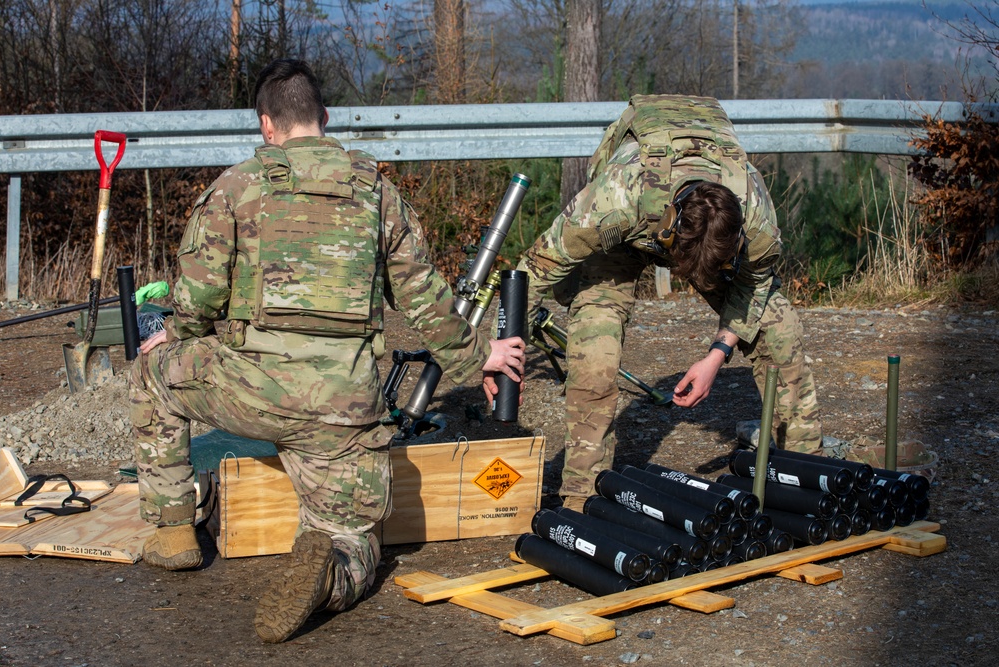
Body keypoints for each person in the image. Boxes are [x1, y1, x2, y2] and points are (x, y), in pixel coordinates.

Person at [129, 59, 524, 644]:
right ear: (326, 118)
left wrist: (174, 338)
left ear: (267, 125)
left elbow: (198, 297)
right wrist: (479, 357)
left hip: (249, 389)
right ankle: (331, 573)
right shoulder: (378, 193)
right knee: (353, 541)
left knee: (151, 374)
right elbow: (425, 297)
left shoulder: (235, 189)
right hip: (342, 408)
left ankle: (172, 533)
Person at [517, 94, 822, 511]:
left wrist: (717, 354)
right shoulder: (614, 200)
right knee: (594, 349)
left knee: (779, 329)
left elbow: (754, 287)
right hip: (626, 234)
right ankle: (582, 497)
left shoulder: (758, 221)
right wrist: (507, 346)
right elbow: (536, 267)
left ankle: (805, 474)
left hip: (703, 240)